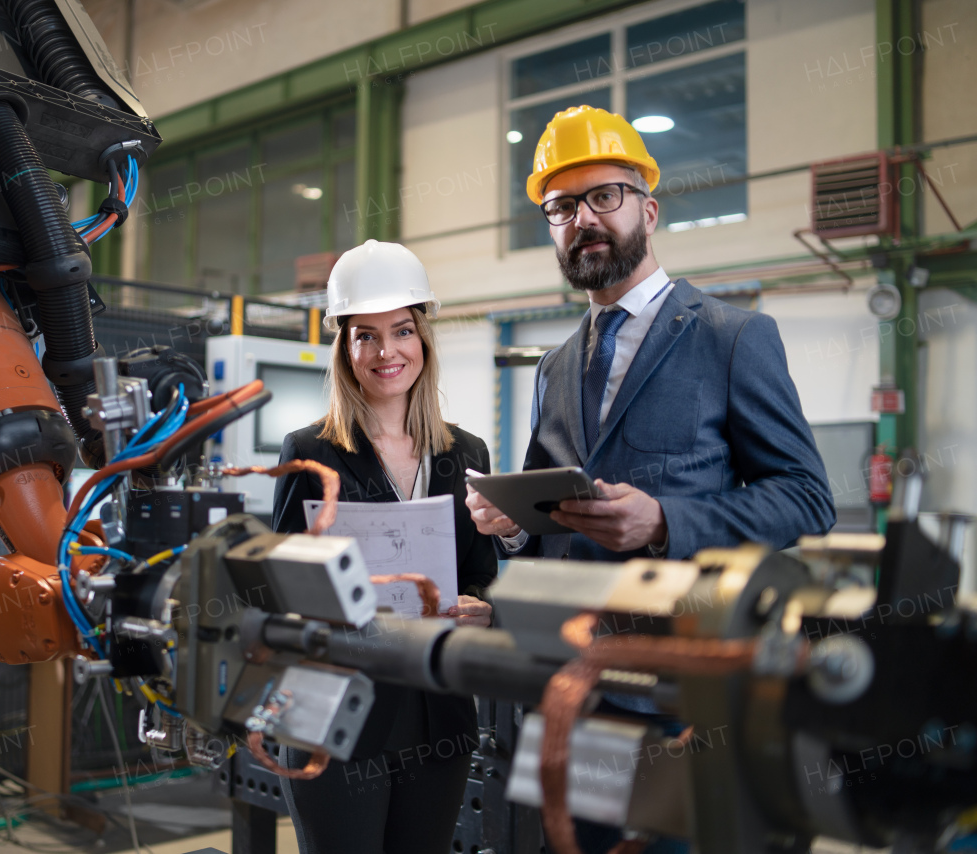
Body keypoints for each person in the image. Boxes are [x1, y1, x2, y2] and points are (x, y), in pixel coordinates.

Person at [467, 105, 836, 564]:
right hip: (563, 627)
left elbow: (806, 499)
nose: (582, 219)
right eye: (562, 206)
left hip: (677, 626)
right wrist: (516, 525)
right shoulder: (552, 370)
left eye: (604, 197)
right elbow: (551, 523)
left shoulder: (733, 339)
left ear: (649, 213)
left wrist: (665, 522)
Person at [273, 239, 496, 854]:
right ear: (345, 349)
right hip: (336, 712)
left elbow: (483, 573)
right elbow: (277, 584)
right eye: (364, 335)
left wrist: (483, 607)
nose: (385, 351)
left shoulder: (465, 454)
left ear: (423, 337)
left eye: (400, 330)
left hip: (437, 715)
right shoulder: (310, 450)